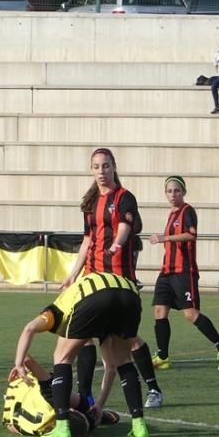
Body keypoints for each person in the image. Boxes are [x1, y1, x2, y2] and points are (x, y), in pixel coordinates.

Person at [61, 147, 166, 409]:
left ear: (113, 167)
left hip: (119, 276)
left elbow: (125, 227)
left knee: (127, 340)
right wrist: (73, 274)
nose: (101, 171)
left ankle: (153, 388)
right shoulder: (89, 202)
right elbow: (87, 240)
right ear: (91, 170)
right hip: (92, 275)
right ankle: (85, 397)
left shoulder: (124, 198)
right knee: (83, 334)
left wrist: (117, 244)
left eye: (106, 166)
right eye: (96, 166)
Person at [11, 270, 150, 437]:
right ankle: (139, 425)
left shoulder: (55, 311)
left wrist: (19, 363)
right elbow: (111, 367)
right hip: (130, 294)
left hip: (93, 296)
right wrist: (99, 405)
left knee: (61, 358)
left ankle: (62, 427)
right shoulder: (100, 320)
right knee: (124, 361)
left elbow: (29, 329)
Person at [149, 175, 219, 371]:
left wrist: (164, 238)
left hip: (183, 272)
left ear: (184, 192)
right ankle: (163, 357)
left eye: (177, 191)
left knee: (190, 314)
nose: (173, 194)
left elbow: (191, 235)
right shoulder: (171, 214)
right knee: (160, 311)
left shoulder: (187, 211)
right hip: (166, 271)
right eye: (169, 191)